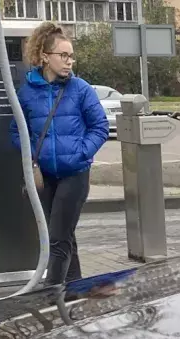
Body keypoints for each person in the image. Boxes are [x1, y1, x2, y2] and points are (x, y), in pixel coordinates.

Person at [11, 21, 109, 285]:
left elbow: (100, 126)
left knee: (57, 238)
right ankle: (75, 288)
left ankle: (51, 294)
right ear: (44, 56)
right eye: (63, 56)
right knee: (65, 235)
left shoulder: (80, 89)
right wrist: (32, 158)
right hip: (45, 177)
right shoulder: (27, 93)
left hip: (74, 174)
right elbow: (16, 131)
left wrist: (81, 153)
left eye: (71, 56)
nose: (69, 62)